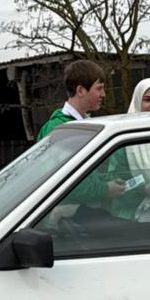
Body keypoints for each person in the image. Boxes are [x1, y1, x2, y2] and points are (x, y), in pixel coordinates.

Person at [37, 59, 126, 207]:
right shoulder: (61, 130)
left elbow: (85, 173)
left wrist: (105, 181)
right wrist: (104, 189)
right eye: (99, 88)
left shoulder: (80, 125)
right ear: (80, 91)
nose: (103, 94)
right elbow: (62, 182)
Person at [112, 77, 150, 220]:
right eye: (148, 100)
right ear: (138, 102)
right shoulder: (123, 139)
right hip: (130, 217)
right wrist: (143, 189)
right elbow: (114, 181)